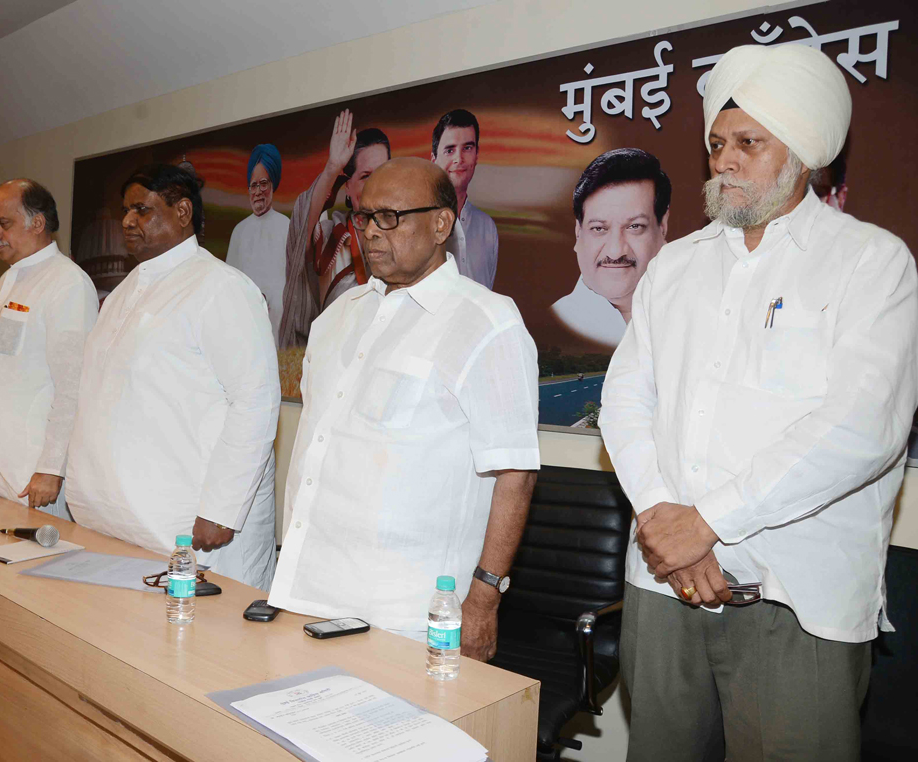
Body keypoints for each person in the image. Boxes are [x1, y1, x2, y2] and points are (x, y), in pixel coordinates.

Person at [599, 44, 917, 761]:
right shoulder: (674, 266)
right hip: (664, 585)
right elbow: (625, 402)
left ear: (803, 153)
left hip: (794, 599)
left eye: (750, 143)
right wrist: (664, 524)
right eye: (718, 143)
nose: (726, 161)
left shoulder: (873, 263)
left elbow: (862, 427)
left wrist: (710, 521)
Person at [268, 158, 540, 656]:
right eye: (364, 217)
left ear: (441, 224)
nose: (371, 232)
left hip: (407, 615)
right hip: (305, 592)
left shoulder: (487, 322)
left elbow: (516, 474)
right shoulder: (337, 319)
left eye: (390, 217)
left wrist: (483, 599)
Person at [66, 164, 280, 588]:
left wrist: (222, 508)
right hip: (117, 523)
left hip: (191, 531)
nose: (127, 221)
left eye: (141, 210)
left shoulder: (223, 287)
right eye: (125, 210)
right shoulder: (125, 291)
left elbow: (255, 400)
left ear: (183, 212)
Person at [0, 179, 98, 518]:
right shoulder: (10, 278)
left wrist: (51, 468)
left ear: (37, 223)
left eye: (3, 223)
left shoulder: (67, 283)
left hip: (29, 474)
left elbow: (73, 385)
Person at [278, 110, 390, 347]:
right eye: (366, 176)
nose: (377, 184)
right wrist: (332, 168)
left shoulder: (403, 237)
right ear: (347, 187)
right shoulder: (332, 236)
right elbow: (300, 231)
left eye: (383, 174)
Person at [551, 148, 670, 349]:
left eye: (634, 227)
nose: (615, 252)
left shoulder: (696, 318)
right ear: (578, 232)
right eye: (599, 228)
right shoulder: (551, 326)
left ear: (663, 226)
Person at [226, 144, 290, 345]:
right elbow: (230, 283)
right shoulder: (239, 231)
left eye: (263, 184)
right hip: (246, 320)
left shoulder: (286, 226)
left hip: (279, 323)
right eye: (253, 185)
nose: (258, 192)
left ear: (273, 186)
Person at [431, 109, 499, 290]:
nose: (458, 159)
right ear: (433, 160)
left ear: (476, 156)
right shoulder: (418, 222)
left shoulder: (487, 227)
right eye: (449, 150)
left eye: (467, 148)